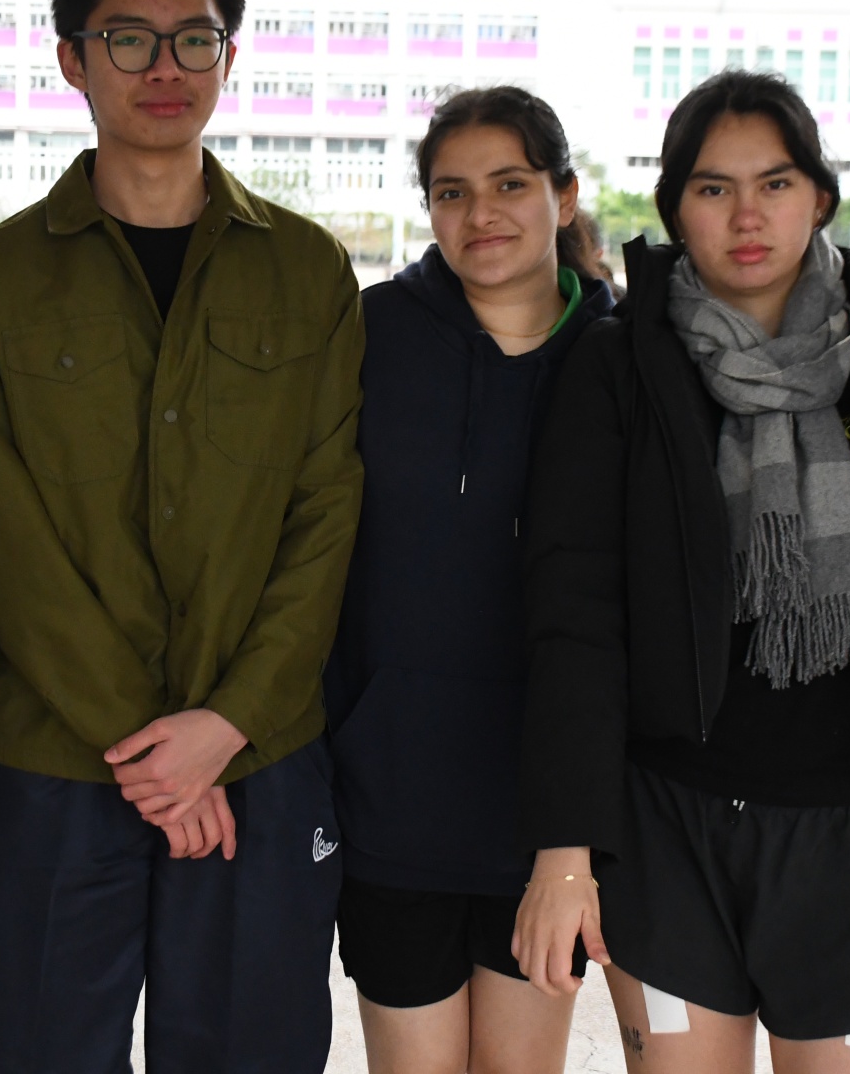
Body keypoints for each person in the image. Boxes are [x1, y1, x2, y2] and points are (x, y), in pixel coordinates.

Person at [513, 70, 850, 1073]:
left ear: (821, 197)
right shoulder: (621, 368)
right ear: (676, 207)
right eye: (713, 188)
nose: (747, 215)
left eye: (776, 182)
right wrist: (565, 851)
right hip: (670, 832)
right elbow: (574, 619)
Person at [0, 0, 364, 1072]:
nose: (165, 67)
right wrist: (156, 756)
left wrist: (224, 724)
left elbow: (326, 517)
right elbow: (3, 539)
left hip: (259, 758)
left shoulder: (309, 269)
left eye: (195, 39)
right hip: (59, 762)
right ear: (72, 59)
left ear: (232, 55)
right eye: (129, 38)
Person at [327, 87, 615, 1074]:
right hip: (393, 797)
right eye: (452, 192)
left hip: (548, 819)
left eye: (509, 184)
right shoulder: (369, 334)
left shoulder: (621, 358)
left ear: (563, 196)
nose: (480, 213)